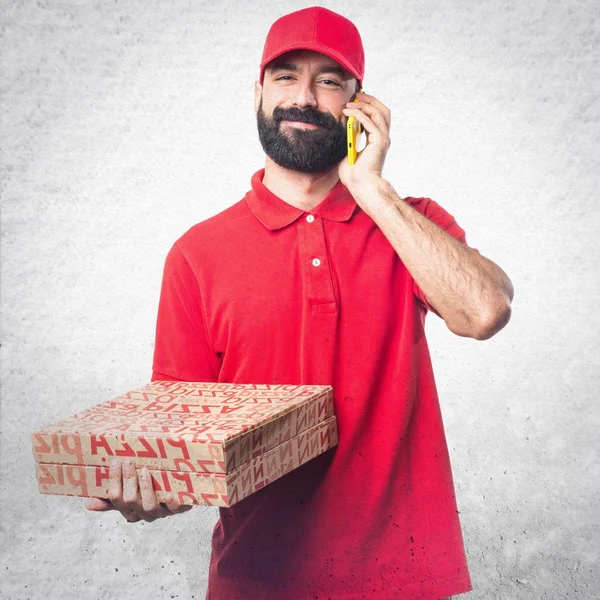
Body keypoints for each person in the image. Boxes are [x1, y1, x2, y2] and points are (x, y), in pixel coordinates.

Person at [85, 6, 514, 599]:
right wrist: (152, 491)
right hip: (257, 582)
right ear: (258, 90)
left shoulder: (412, 225)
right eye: (286, 76)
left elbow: (484, 311)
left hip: (402, 580)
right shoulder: (196, 254)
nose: (305, 97)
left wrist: (371, 188)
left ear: (360, 106)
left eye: (329, 81)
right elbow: (187, 445)